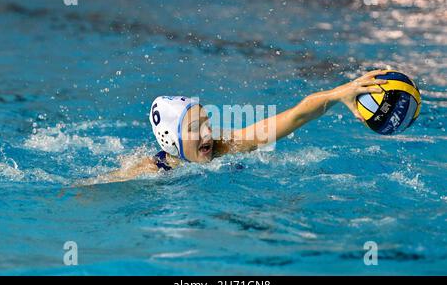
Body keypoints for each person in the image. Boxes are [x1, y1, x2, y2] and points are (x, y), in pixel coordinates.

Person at [87, 70, 387, 184]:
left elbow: (296, 116)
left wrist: (341, 92)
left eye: (207, 123)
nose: (207, 134)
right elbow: (96, 187)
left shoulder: (225, 146)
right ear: (170, 139)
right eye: (194, 128)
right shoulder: (150, 171)